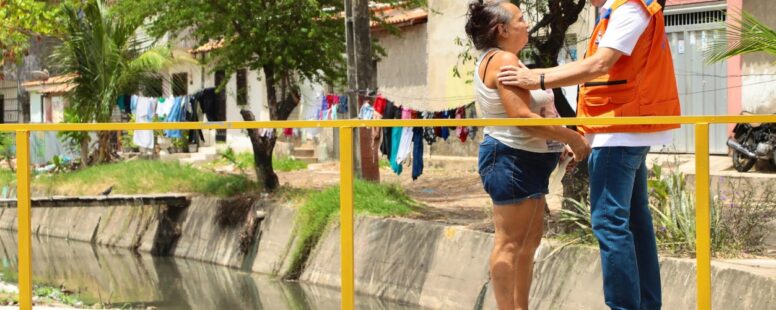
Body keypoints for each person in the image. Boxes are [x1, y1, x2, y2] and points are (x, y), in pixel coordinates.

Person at [497, 0, 680, 309]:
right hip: (619, 127)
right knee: (635, 221)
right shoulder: (615, 13)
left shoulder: (629, 9)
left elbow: (600, 65)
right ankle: (647, 304)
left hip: (619, 129)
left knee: (609, 222)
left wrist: (537, 78)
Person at [464, 1, 591, 309]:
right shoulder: (503, 59)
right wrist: (573, 138)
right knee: (509, 243)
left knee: (528, 243)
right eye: (521, 19)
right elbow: (521, 118)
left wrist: (556, 141)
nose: (527, 24)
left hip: (527, 160)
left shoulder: (512, 60)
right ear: (502, 29)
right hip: (510, 159)